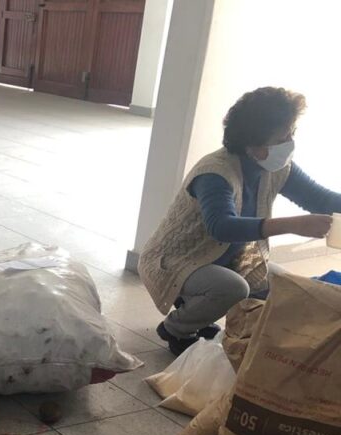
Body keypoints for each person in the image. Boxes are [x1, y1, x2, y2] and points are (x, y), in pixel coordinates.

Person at [139, 87, 341, 355]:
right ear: (254, 145)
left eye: (292, 133)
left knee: (285, 288)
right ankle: (175, 328)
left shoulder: (276, 167)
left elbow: (319, 198)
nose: (290, 142)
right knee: (234, 288)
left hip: (227, 260)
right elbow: (221, 226)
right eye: (283, 137)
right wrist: (292, 225)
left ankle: (200, 310)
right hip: (175, 262)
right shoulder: (216, 172)